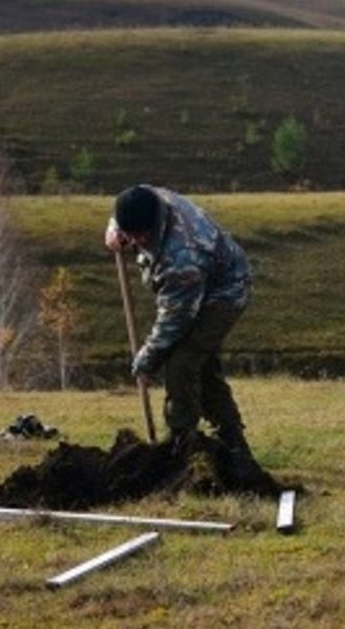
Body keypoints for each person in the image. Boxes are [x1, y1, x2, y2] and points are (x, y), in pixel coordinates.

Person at [104, 184, 273, 486]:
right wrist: (115, 230)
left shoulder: (182, 255)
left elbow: (174, 322)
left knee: (183, 361)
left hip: (225, 292)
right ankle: (233, 444)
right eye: (131, 236)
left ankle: (182, 447)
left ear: (153, 223)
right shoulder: (145, 200)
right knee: (202, 366)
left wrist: (146, 358)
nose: (137, 242)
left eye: (140, 236)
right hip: (201, 284)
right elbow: (129, 202)